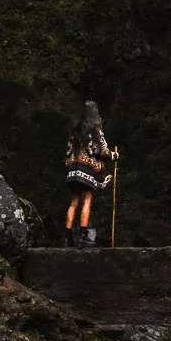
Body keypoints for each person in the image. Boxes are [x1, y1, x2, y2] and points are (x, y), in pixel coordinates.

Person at [62, 100, 115, 246]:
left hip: (72, 171)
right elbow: (102, 151)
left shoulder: (75, 132)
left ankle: (68, 237)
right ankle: (84, 236)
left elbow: (68, 151)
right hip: (87, 171)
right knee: (87, 200)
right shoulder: (96, 131)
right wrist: (114, 156)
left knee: (73, 202)